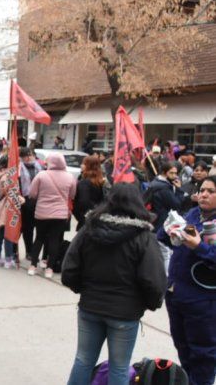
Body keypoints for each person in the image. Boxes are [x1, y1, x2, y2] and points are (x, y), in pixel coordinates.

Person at [61, 183, 166, 384]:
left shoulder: (88, 229)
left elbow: (69, 269)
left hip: (90, 306)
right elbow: (153, 280)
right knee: (119, 367)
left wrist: (85, 289)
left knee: (83, 360)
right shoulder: (144, 237)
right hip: (124, 314)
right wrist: (150, 303)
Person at [157, 175, 216, 385]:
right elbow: (169, 241)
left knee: (203, 354)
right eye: (202, 190)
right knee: (183, 348)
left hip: (202, 301)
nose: (204, 194)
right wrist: (168, 229)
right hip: (177, 295)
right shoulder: (192, 214)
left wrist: (199, 246)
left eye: (211, 191)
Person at [28, 152, 77, 278]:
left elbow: (32, 193)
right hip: (60, 215)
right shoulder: (70, 177)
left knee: (39, 238)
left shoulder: (41, 175)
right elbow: (72, 195)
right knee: (54, 240)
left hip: (42, 213)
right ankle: (49, 268)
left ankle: (33, 266)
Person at [148, 160, 188, 272]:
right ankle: (167, 277)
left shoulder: (155, 182)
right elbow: (176, 204)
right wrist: (180, 190)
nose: (175, 176)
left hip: (158, 221)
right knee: (165, 252)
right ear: (164, 172)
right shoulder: (164, 187)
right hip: (163, 222)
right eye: (172, 173)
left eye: (176, 173)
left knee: (164, 251)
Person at [18, 147, 43, 261]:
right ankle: (29, 250)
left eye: (30, 155)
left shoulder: (39, 166)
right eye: (25, 156)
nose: (29, 158)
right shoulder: (19, 168)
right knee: (28, 228)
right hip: (25, 200)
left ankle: (35, 251)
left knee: (39, 227)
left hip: (39, 199)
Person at [73, 155, 107, 231]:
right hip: (98, 217)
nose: (81, 165)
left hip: (86, 220)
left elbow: (83, 201)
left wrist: (80, 216)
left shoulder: (84, 182)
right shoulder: (100, 181)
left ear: (88, 166)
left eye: (83, 164)